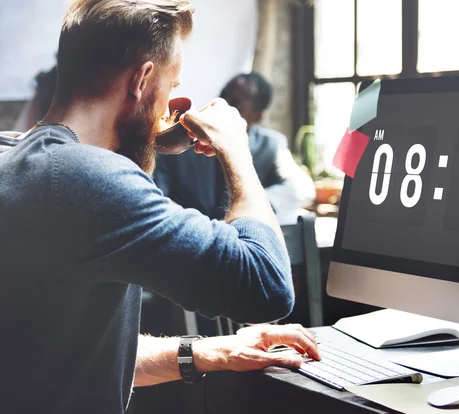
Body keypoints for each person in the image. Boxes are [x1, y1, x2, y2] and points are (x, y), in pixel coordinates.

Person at [0, 1, 319, 413]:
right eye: (171, 87)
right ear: (142, 79)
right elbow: (267, 285)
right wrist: (237, 151)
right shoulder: (87, 178)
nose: (169, 105)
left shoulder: (16, 157)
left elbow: (65, 355)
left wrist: (214, 351)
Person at [154, 72, 316, 224]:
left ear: (257, 116)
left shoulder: (270, 145)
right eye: (223, 95)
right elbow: (157, 196)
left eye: (236, 101)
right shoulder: (181, 142)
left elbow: (302, 189)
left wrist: (249, 205)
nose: (223, 104)